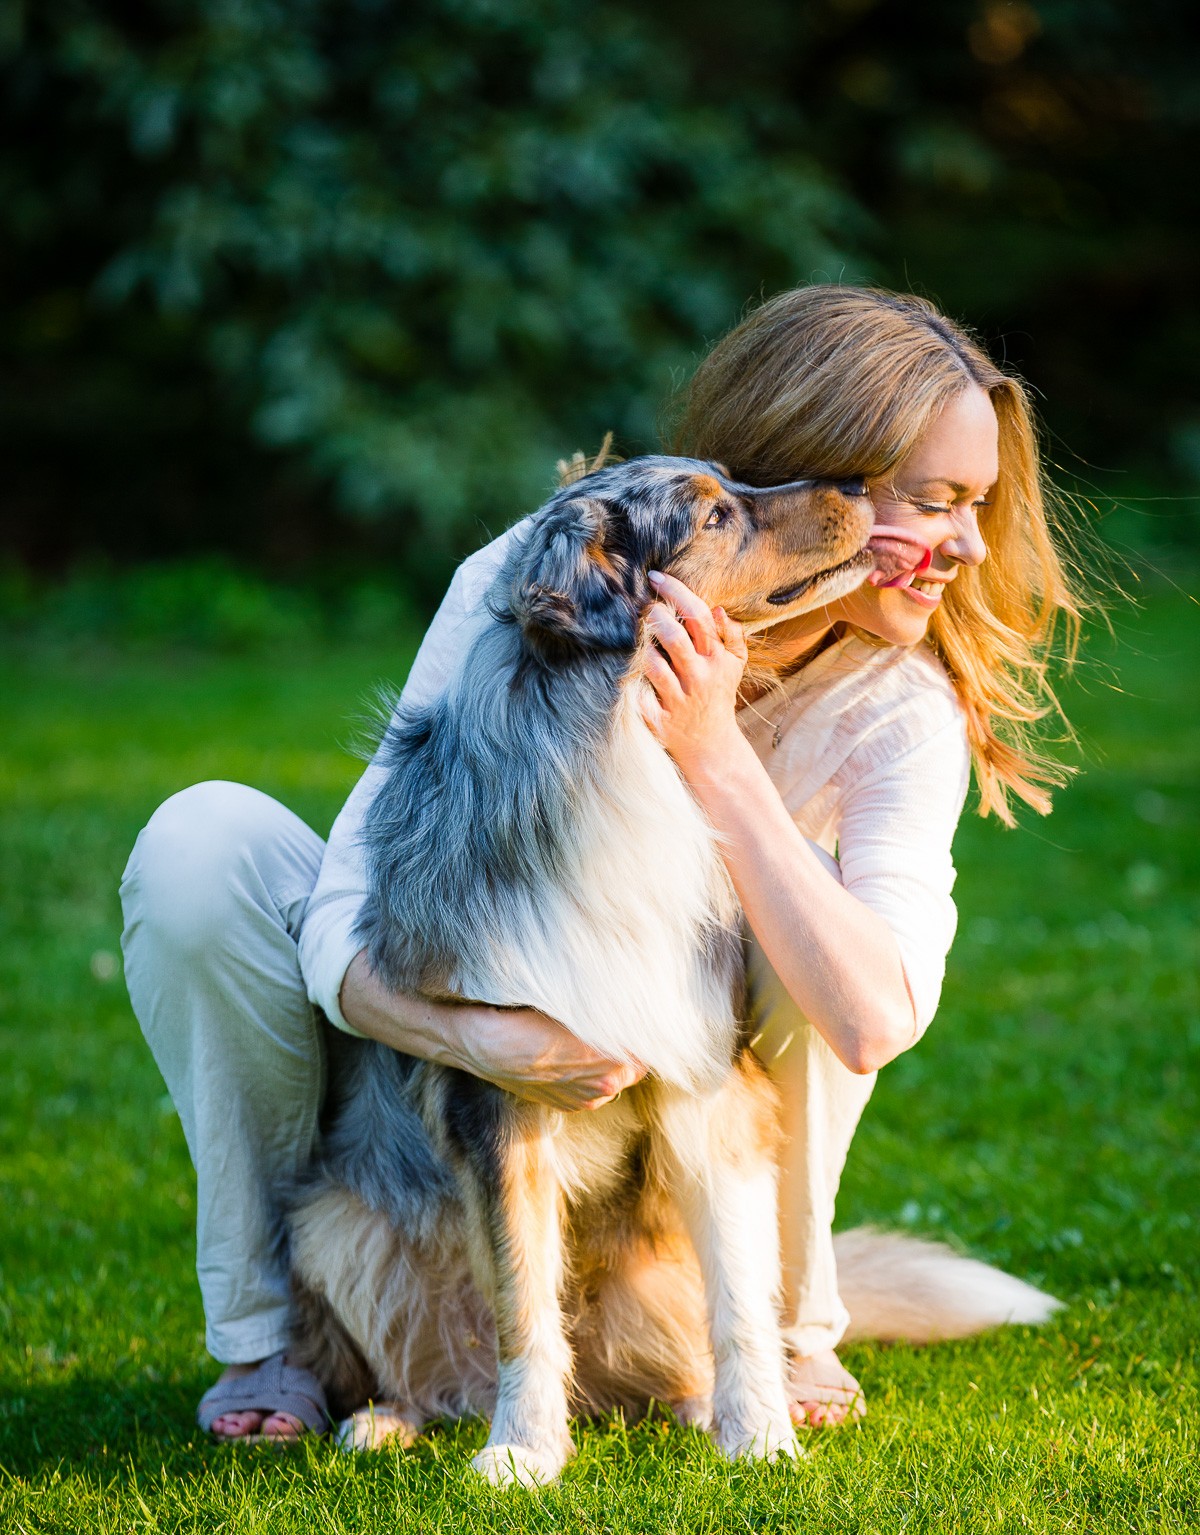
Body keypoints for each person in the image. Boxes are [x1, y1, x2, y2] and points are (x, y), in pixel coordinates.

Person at [119, 286, 1080, 1441]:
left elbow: (875, 1015)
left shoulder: (895, 709)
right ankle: (269, 1338)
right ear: (820, 476)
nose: (967, 544)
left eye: (975, 506)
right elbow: (345, 921)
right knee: (198, 844)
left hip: (676, 1135)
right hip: (461, 1074)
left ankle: (785, 1329)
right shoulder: (536, 584)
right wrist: (476, 1040)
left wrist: (715, 754)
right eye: (934, 503)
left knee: (813, 920)